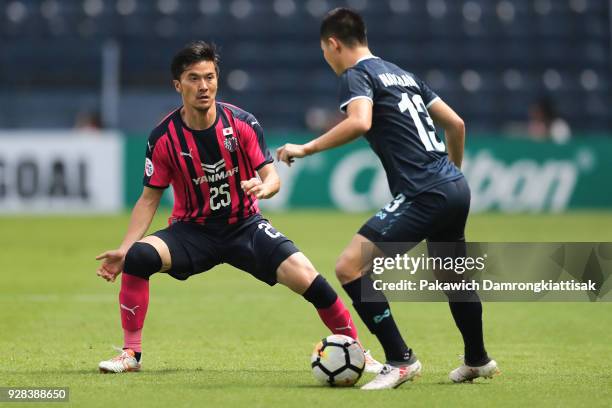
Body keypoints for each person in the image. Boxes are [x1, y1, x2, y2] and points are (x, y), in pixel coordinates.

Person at [95, 41, 381, 374]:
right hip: (192, 231)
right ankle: (131, 354)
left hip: (244, 226)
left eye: (210, 77)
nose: (204, 86)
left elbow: (271, 175)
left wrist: (266, 186)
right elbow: (149, 198)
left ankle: (358, 350)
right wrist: (126, 248)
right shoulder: (163, 138)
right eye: (193, 78)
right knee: (140, 257)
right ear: (178, 85)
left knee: (310, 278)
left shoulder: (241, 123)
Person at [277, 8, 498, 390]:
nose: (327, 60)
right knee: (453, 276)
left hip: (424, 190)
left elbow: (360, 121)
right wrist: (452, 172)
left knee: (349, 267)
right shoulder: (404, 74)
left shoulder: (356, 75)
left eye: (325, 51)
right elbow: (456, 123)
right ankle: (477, 359)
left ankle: (400, 360)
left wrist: (307, 147)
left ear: (333, 43)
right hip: (453, 185)